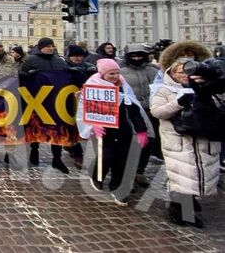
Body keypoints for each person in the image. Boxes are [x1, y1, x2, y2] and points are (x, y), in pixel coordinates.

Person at [151, 58, 222, 227]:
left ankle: (189, 204)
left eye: (187, 71)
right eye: (180, 72)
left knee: (200, 174)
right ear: (172, 73)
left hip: (203, 139)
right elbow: (157, 112)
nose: (185, 75)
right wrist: (178, 103)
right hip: (179, 141)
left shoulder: (208, 86)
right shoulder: (164, 90)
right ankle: (178, 210)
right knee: (182, 177)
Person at [77, 59, 149, 206]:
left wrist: (141, 130)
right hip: (103, 131)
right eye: (111, 73)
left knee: (122, 161)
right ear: (102, 74)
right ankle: (96, 175)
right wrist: (93, 125)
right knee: (106, 157)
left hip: (122, 130)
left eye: (117, 73)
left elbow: (134, 110)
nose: (115, 76)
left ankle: (118, 189)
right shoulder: (93, 86)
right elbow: (85, 109)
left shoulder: (123, 87)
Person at [21, 37, 71, 173]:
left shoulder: (59, 60)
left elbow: (66, 76)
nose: (50, 48)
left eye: (52, 46)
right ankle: (34, 150)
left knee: (57, 130)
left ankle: (57, 158)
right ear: (41, 47)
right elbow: (21, 76)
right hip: (37, 99)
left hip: (55, 99)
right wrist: (28, 75)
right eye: (48, 46)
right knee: (36, 126)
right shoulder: (30, 60)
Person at [120, 44, 160, 189]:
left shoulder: (153, 70)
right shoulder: (121, 71)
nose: (137, 58)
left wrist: (151, 104)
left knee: (149, 141)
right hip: (131, 111)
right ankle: (127, 173)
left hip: (151, 110)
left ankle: (140, 170)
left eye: (140, 55)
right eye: (133, 56)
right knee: (130, 143)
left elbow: (159, 88)